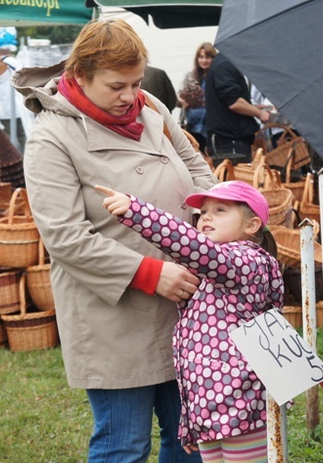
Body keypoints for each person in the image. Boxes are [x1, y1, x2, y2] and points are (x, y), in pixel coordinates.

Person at [18, 19, 217, 462]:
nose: (130, 95)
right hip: (114, 315)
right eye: (116, 86)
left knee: (191, 437)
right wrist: (149, 273)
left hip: (184, 305)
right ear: (79, 77)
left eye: (136, 81)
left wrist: (215, 215)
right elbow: (65, 237)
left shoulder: (152, 109)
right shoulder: (52, 137)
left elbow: (195, 166)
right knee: (124, 445)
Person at [97, 181, 283, 463]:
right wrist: (190, 422)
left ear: (252, 225)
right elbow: (192, 359)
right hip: (212, 413)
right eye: (203, 211)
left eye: (220, 210)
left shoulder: (248, 263)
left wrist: (138, 212)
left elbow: (197, 249)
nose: (206, 217)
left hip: (245, 410)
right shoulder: (213, 273)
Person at [204, 53, 270, 164]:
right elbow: (234, 103)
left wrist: (251, 108)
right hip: (229, 142)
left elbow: (228, 102)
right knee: (235, 179)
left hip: (231, 140)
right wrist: (260, 113)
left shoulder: (224, 64)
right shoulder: (224, 66)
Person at [0, 27, 29, 152]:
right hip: (18, 110)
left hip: (1, 111)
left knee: (7, 145)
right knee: (23, 141)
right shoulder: (15, 63)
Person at [178, 42, 216, 152]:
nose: (204, 60)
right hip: (193, 123)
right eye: (201, 57)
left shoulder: (217, 77)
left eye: (207, 57)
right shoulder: (190, 76)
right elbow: (179, 96)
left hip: (211, 124)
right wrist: (182, 101)